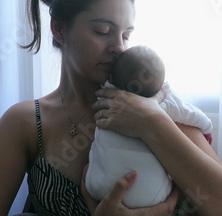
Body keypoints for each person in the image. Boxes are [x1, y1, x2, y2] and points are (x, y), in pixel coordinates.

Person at [0, 0, 222, 216]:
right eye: (103, 31)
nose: (119, 48)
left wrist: (152, 124)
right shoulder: (25, 122)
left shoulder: (154, 101)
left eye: (126, 34)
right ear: (59, 29)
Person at [85, 45, 214, 208]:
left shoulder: (107, 98)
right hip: (153, 197)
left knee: (86, 174)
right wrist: (207, 128)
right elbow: (190, 113)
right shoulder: (165, 101)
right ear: (160, 86)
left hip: (100, 189)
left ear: (111, 79)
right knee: (174, 180)